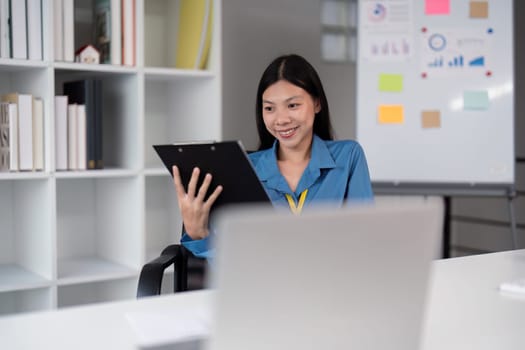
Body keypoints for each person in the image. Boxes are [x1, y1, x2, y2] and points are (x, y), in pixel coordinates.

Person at [172, 54, 373, 259]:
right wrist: (198, 234)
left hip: (330, 283)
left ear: (317, 104)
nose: (281, 119)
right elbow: (237, 260)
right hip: (263, 285)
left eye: (293, 105)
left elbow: (364, 239)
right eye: (269, 108)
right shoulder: (244, 168)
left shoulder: (348, 157)